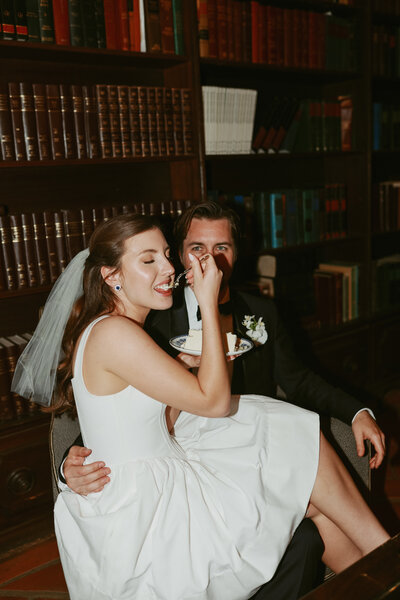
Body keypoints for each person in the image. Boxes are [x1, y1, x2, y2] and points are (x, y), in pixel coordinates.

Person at [12, 213, 389, 600]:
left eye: (164, 255)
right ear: (111, 276)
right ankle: (387, 559)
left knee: (308, 480)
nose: (168, 268)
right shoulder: (115, 332)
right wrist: (210, 304)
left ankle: (383, 573)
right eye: (149, 260)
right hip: (145, 513)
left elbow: (148, 413)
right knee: (286, 431)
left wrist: (176, 369)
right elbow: (213, 402)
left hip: (154, 477)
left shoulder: (116, 326)